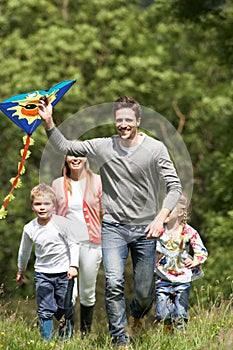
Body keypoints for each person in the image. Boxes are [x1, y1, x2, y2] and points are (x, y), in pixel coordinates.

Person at [38, 95, 182, 348]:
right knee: (114, 282)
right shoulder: (103, 146)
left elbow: (174, 187)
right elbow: (64, 147)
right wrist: (49, 121)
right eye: (119, 120)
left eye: (128, 120)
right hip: (113, 226)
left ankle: (137, 314)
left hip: (146, 229)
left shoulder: (156, 149)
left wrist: (161, 218)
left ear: (138, 120)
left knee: (144, 292)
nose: (123, 124)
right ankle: (120, 339)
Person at [16, 184, 79, 342]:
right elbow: (24, 251)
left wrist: (73, 266)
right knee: (44, 310)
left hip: (65, 274)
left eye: (46, 204)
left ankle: (64, 342)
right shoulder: (29, 228)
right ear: (32, 206)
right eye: (38, 204)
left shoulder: (62, 224)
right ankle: (48, 343)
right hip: (43, 274)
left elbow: (74, 244)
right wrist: (21, 270)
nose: (42, 207)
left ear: (54, 206)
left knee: (63, 310)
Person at [51, 154, 103, 337]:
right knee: (68, 290)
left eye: (79, 154)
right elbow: (52, 214)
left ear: (85, 157)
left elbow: (107, 210)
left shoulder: (97, 181)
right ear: (65, 158)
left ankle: (85, 334)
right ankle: (67, 334)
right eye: (71, 154)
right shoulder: (57, 184)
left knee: (87, 290)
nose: (75, 158)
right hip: (66, 244)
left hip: (91, 242)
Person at [154, 194, 208, 333]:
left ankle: (181, 339)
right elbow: (147, 250)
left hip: (182, 279)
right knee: (162, 314)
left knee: (181, 314)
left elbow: (201, 250)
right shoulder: (159, 230)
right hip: (162, 277)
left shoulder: (189, 232)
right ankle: (168, 330)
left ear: (180, 212)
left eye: (168, 208)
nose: (164, 211)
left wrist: (196, 260)